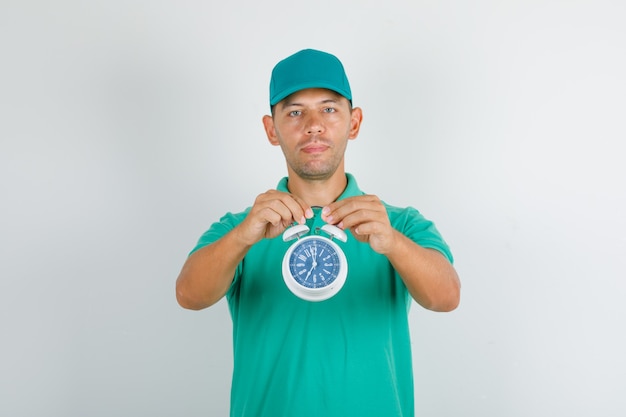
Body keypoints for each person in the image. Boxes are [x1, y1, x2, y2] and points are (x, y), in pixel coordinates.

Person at [176, 48, 461, 417]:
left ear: (354, 123)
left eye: (329, 109)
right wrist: (243, 238)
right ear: (271, 129)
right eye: (295, 112)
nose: (313, 124)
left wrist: (391, 243)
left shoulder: (399, 224)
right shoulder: (242, 228)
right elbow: (189, 295)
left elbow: (447, 297)